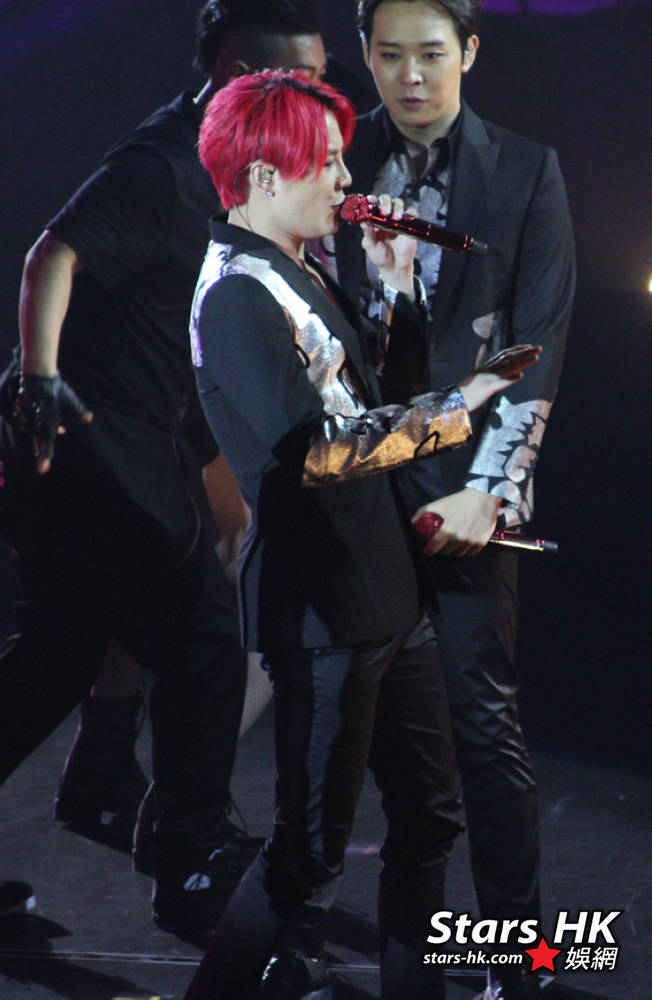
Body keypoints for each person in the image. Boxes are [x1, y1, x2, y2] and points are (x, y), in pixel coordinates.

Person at [181, 69, 540, 1000]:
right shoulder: (234, 295)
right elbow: (319, 452)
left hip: (384, 588)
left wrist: (398, 286)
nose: (347, 182)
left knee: (429, 817)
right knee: (307, 852)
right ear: (264, 175)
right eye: (329, 163)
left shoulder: (298, 266)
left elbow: (372, 396)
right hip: (321, 606)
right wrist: (463, 403)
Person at [0, 0, 328, 934]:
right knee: (204, 641)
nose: (311, 97)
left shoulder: (238, 163)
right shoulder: (164, 164)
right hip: (91, 436)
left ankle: (111, 783)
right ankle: (188, 857)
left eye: (317, 79)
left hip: (149, 429)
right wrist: (40, 378)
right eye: (293, 80)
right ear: (234, 74)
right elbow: (53, 255)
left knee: (61, 652)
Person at [322, 3, 575, 997]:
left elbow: (537, 340)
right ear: (365, 55)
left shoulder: (524, 169)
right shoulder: (333, 155)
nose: (411, 76)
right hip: (350, 480)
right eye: (389, 55)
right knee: (339, 725)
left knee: (481, 720)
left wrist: (492, 493)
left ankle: (519, 955)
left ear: (469, 51)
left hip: (466, 488)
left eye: (431, 53)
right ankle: (365, 952)